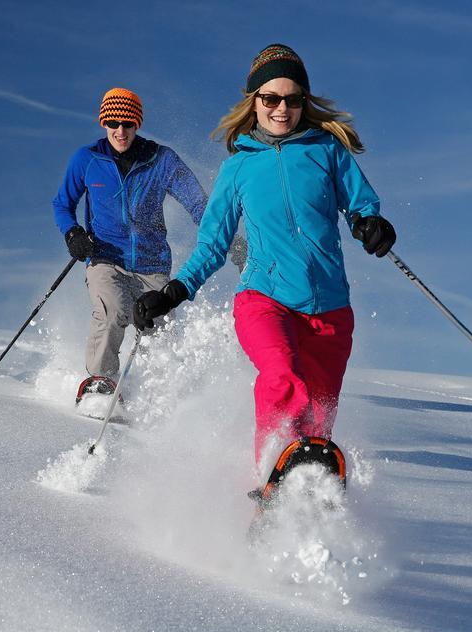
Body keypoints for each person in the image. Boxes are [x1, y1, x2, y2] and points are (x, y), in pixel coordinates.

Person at [133, 44, 397, 465]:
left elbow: (362, 206)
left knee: (316, 426)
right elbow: (213, 244)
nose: (282, 108)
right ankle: (268, 471)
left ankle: (301, 505)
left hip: (331, 312)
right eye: (271, 98)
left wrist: (372, 225)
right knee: (282, 380)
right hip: (265, 299)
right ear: (254, 102)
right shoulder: (237, 169)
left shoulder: (327, 152)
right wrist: (173, 292)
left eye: (293, 99)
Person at [53, 87, 208, 399]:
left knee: (159, 328)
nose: (120, 131)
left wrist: (227, 238)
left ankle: (153, 395)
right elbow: (62, 204)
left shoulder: (161, 160)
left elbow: (199, 205)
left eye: (127, 123)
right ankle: (101, 384)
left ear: (137, 124)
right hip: (105, 257)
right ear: (103, 123)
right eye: (113, 123)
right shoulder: (87, 159)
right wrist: (73, 233)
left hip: (152, 264)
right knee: (113, 312)